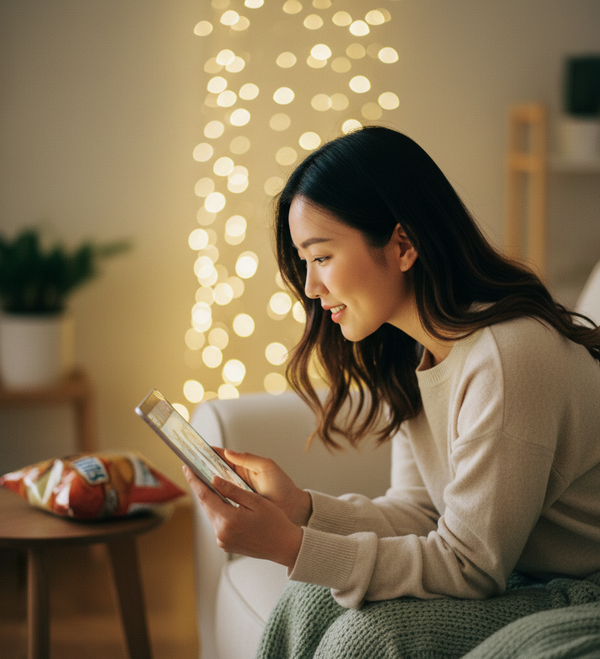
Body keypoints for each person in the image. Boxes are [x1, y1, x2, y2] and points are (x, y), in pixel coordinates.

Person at [184, 126, 600, 656]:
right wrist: (303, 509)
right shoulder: (412, 351)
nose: (310, 288)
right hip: (515, 570)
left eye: (322, 256)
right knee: (305, 599)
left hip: (577, 585)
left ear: (403, 245)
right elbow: (422, 511)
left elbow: (470, 564)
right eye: (304, 261)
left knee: (365, 637)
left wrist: (292, 546)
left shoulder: (508, 358)